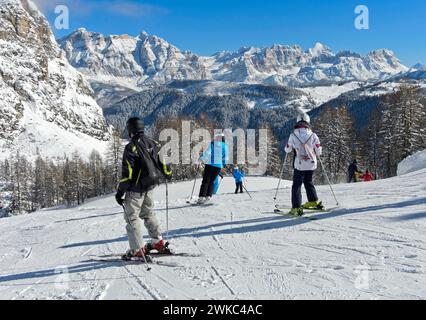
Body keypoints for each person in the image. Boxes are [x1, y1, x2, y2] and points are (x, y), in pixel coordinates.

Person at [115, 117, 172, 261]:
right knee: (148, 213)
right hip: (150, 185)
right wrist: (168, 174)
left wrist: (120, 191)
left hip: (136, 189)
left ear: (130, 130)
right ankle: (158, 241)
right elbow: (163, 161)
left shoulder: (131, 147)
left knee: (132, 217)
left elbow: (127, 172)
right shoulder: (153, 142)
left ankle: (137, 249)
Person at [285, 113, 323, 216]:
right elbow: (318, 151)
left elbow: (287, 149)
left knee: (296, 185)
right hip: (311, 163)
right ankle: (313, 201)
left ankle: (296, 208)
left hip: (300, 164)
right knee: (308, 181)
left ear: (297, 122)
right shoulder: (313, 135)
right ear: (308, 122)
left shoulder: (293, 135)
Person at [197, 133, 229, 204]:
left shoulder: (213, 144)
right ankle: (208, 196)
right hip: (218, 166)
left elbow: (207, 153)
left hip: (210, 164)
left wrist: (201, 158)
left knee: (205, 181)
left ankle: (201, 197)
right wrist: (223, 164)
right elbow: (226, 158)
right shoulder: (225, 147)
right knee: (212, 181)